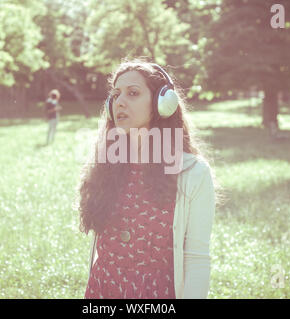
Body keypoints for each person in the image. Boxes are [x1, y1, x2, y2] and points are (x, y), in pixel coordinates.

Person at [76, 59, 219, 299]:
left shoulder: (193, 173)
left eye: (133, 93)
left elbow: (197, 259)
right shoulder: (107, 164)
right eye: (116, 94)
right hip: (104, 291)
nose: (119, 102)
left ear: (163, 103)